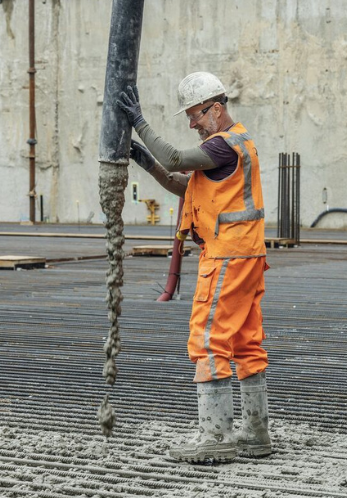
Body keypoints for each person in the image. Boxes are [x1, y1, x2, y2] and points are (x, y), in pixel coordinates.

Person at [117, 72, 271, 463]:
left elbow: (175, 158)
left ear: (216, 109)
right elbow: (185, 184)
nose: (191, 124)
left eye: (195, 115)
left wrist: (138, 120)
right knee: (246, 342)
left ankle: (216, 437)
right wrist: (145, 162)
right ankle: (255, 435)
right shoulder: (235, 145)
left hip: (226, 257)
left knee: (208, 339)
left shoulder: (222, 146)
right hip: (247, 256)